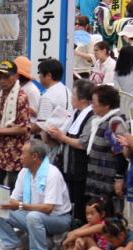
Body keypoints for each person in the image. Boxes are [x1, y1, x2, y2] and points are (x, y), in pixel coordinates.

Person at [0, 140, 72, 250]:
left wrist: (21, 206)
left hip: (59, 218)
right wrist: (1, 202)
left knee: (33, 216)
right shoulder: (24, 172)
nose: (20, 157)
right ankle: (14, 247)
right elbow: (14, 199)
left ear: (34, 156)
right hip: (32, 214)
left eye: (23, 154)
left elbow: (48, 208)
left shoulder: (52, 174)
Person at [47, 79, 95, 223]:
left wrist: (61, 136)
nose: (72, 98)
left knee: (80, 206)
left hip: (81, 169)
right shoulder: (74, 113)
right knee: (70, 203)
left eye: (74, 95)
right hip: (68, 167)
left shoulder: (91, 116)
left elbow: (83, 143)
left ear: (83, 99)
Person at [0, 60, 32, 191]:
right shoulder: (2, 94)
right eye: (0, 77)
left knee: (13, 190)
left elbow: (24, 129)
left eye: (6, 77)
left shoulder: (21, 97)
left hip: (16, 153)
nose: (2, 80)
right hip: (0, 149)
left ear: (16, 76)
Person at [44, 198, 109, 250]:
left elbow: (74, 235)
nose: (89, 217)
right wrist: (76, 238)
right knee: (77, 240)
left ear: (102, 214)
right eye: (87, 214)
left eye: (92, 214)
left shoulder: (101, 226)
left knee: (84, 238)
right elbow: (71, 234)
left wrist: (69, 240)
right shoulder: (90, 225)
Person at [84, 85, 128, 211]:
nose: (92, 105)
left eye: (94, 102)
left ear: (106, 105)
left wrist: (119, 179)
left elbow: (121, 152)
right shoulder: (99, 120)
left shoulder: (115, 123)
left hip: (108, 183)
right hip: (97, 181)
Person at [31, 59, 70, 136]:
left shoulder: (48, 96)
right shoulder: (66, 90)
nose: (39, 76)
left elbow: (41, 125)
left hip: (52, 140)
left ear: (49, 75)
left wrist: (24, 131)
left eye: (40, 73)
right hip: (65, 135)